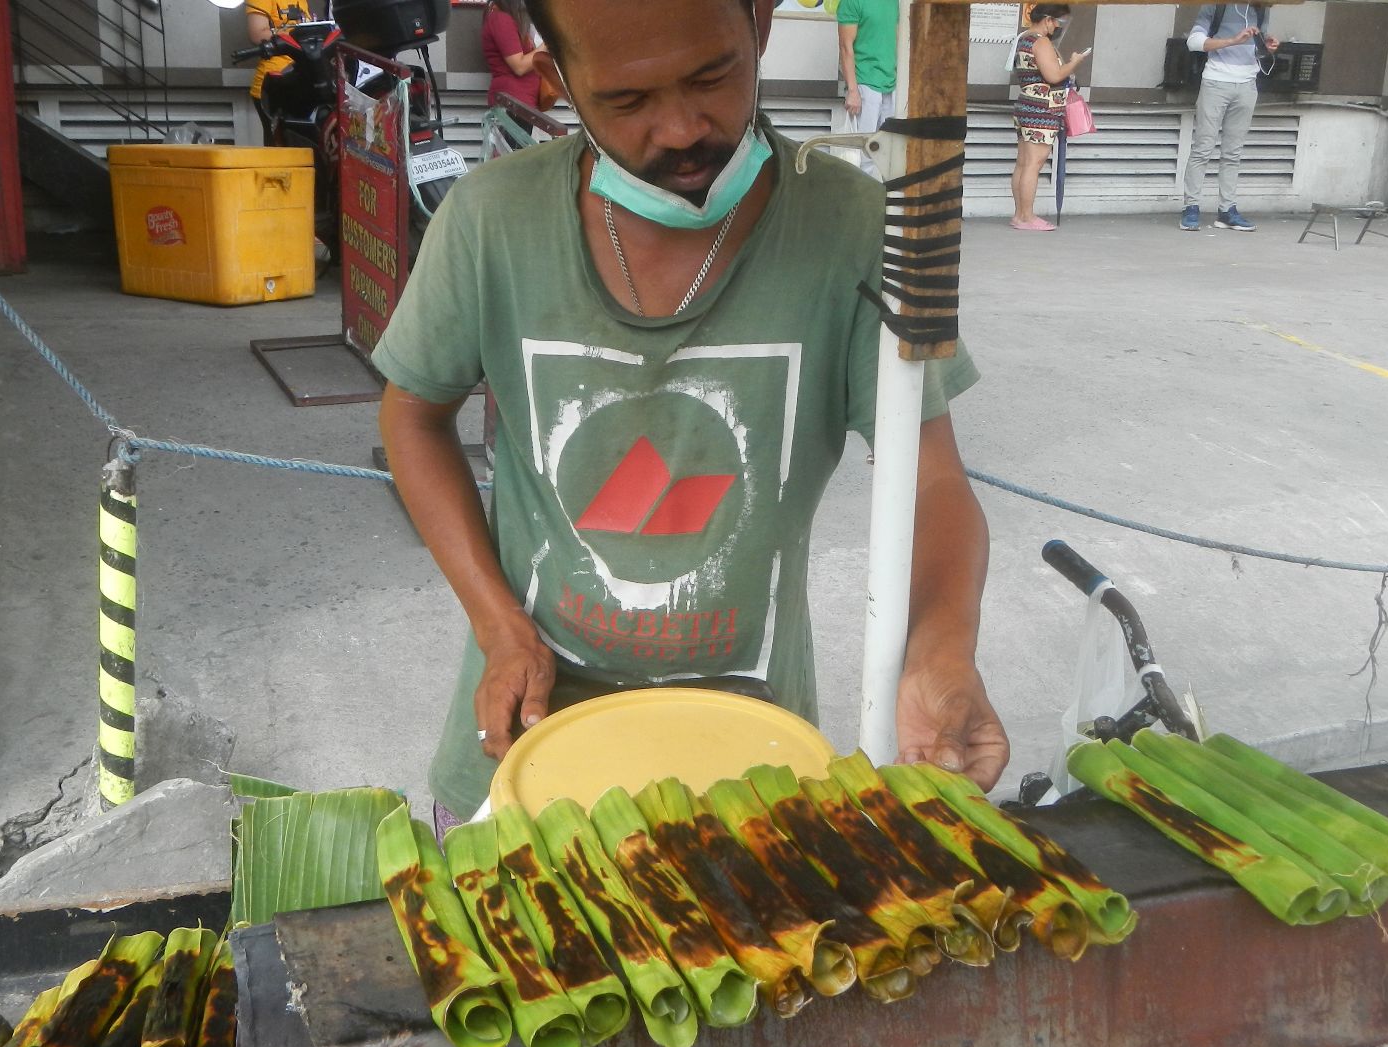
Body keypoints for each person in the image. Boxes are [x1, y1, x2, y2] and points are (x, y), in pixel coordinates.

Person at [374, 0, 1008, 829]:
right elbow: (412, 419)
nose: (679, 129)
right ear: (559, 80)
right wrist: (500, 629)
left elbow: (930, 478)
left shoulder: (854, 226)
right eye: (627, 101)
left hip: (754, 768)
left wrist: (943, 646)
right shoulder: (492, 220)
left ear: (761, 28)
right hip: (522, 759)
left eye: (712, 76)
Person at [1180, 3, 1278, 232]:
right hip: (1216, 81)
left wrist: (1267, 47)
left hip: (1247, 83)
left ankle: (1227, 211)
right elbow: (1194, 42)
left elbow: (1256, 48)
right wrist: (1232, 41)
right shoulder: (1216, 6)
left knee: (1233, 152)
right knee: (1203, 147)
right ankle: (1191, 207)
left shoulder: (1260, 8)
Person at [1010, 4, 1089, 232]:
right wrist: (1074, 62)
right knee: (1033, 165)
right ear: (1047, 19)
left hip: (1026, 104)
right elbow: (1053, 75)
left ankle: (1019, 214)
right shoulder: (1040, 41)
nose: (1057, 27)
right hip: (1042, 110)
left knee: (1023, 163)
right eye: (1057, 22)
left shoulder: (1023, 38)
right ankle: (1026, 216)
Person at [245, 0, 323, 139]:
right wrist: (296, 34)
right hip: (274, 83)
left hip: (300, 80)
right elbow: (257, 34)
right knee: (279, 144)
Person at [836, 0, 897, 177]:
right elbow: (845, 47)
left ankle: (888, 202)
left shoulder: (894, 2)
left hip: (892, 84)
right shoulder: (851, 2)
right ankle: (861, 201)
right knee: (864, 155)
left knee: (891, 153)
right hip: (865, 84)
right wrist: (853, 91)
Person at [482, 0, 548, 108]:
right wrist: (547, 44)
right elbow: (519, 66)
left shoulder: (505, 18)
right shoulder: (501, 19)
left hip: (519, 102)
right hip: (512, 102)